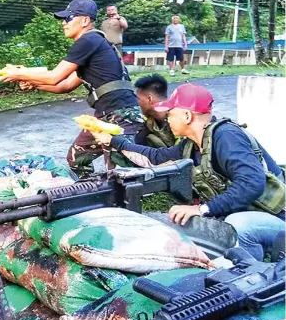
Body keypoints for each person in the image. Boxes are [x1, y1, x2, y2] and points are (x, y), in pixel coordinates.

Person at [91, 83, 285, 261]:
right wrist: (114, 141)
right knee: (192, 225)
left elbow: (252, 183)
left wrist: (202, 209)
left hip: (278, 218)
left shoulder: (226, 137)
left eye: (170, 113)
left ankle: (253, 277)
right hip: (253, 213)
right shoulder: (192, 144)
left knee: (238, 224)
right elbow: (155, 158)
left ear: (187, 116)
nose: (167, 118)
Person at [0, 0, 144, 177]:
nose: (64, 24)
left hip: (122, 116)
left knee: (121, 176)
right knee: (77, 158)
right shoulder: (92, 44)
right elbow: (65, 85)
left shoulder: (88, 40)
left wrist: (18, 73)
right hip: (105, 116)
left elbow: (54, 77)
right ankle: (88, 193)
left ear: (85, 21)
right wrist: (34, 83)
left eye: (68, 18)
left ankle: (128, 201)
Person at [134, 74, 177, 148]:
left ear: (149, 99)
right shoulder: (149, 121)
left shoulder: (178, 119)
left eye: (138, 99)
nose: (137, 103)